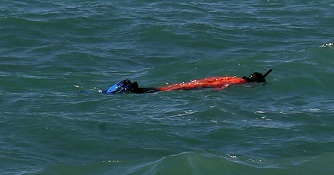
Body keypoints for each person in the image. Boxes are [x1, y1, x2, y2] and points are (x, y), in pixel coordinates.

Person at [103, 69, 272, 94]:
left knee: (168, 88)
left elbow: (215, 79)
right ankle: (136, 90)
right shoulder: (239, 82)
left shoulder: (233, 76)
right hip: (200, 86)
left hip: (197, 82)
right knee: (165, 90)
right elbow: (221, 85)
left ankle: (138, 88)